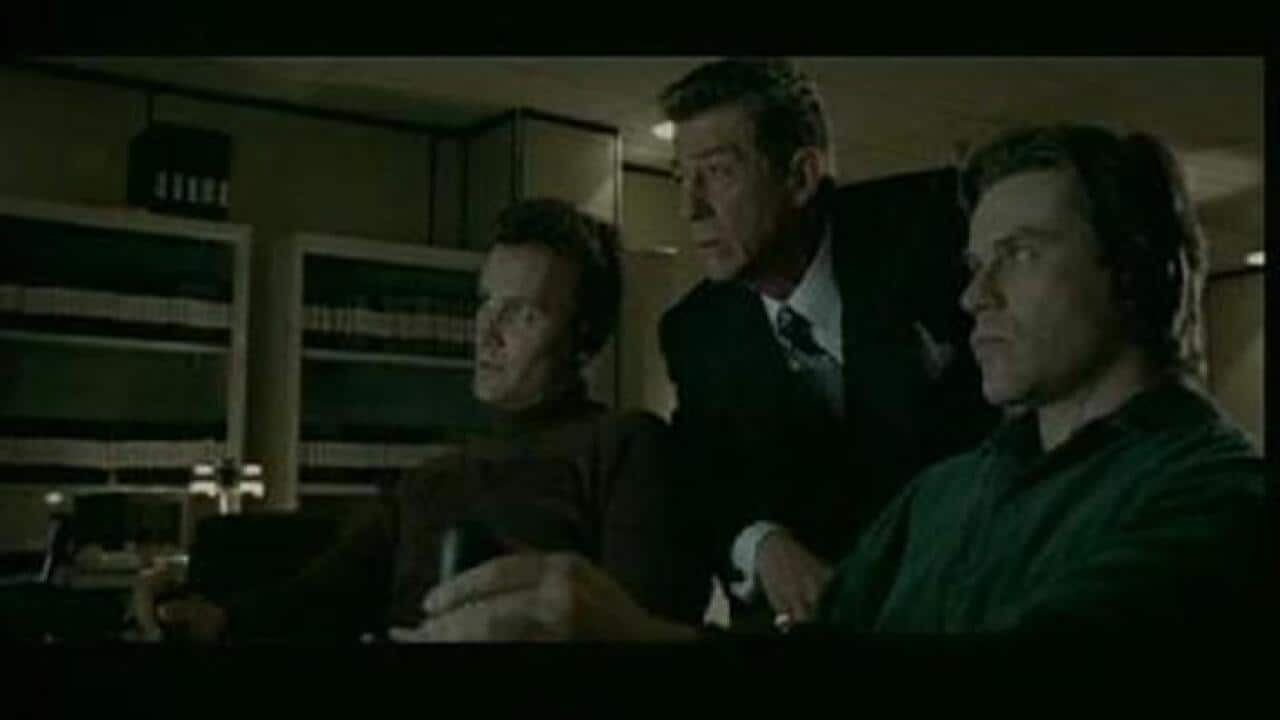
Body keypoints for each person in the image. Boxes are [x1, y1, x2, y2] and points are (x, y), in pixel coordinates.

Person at [395, 124, 1270, 641]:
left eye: (1019, 254)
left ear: (1139, 271)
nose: (974, 295)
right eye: (975, 263)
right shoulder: (945, 495)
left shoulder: (1218, 499)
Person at [133, 198, 710, 644]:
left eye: (522, 314)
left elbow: (640, 626)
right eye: (485, 303)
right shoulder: (432, 476)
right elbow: (325, 593)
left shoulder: (625, 446)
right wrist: (212, 617)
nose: (486, 333)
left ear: (584, 341)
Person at [656, 58, 996, 629]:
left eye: (717, 172)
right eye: (680, 178)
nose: (690, 208)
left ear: (800, 177)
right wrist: (760, 543)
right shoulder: (695, 329)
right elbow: (705, 480)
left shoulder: (937, 235)